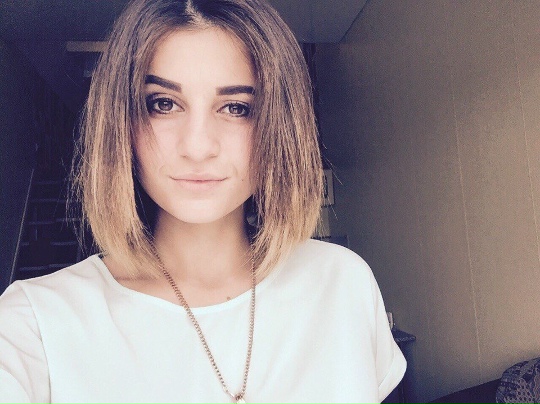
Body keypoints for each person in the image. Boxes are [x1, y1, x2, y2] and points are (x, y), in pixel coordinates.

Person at [0, 0, 406, 403]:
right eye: (163, 104)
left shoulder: (342, 283)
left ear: (279, 126)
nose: (197, 147)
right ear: (122, 121)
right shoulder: (33, 324)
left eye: (236, 108)